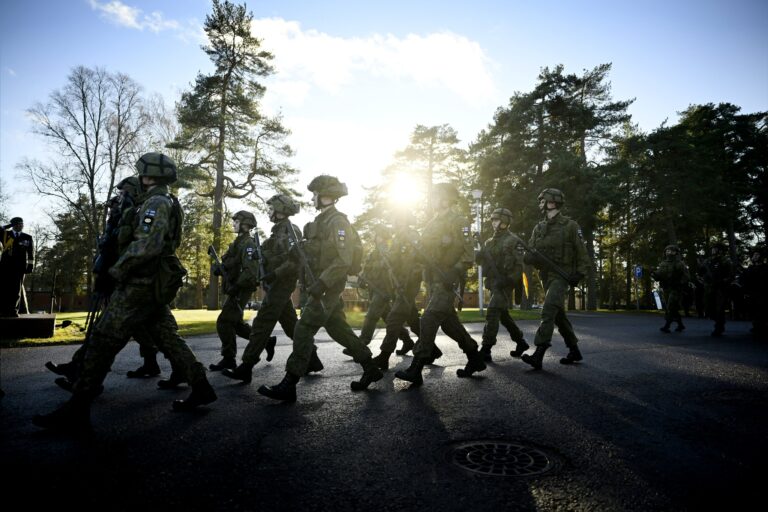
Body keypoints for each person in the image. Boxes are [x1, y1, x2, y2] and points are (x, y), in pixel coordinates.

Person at [33, 152, 216, 433]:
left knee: (104, 338)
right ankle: (201, 386)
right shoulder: (162, 200)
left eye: (142, 173)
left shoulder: (156, 202)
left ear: (149, 175)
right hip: (148, 284)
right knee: (168, 337)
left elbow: (147, 246)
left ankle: (77, 409)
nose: (140, 178)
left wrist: (115, 272)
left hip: (139, 284)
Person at [257, 175, 383, 402]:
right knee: (338, 330)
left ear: (325, 197)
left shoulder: (338, 223)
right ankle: (371, 368)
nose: (312, 198)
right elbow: (318, 253)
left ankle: (289, 383)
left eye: (315, 194)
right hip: (319, 286)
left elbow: (343, 260)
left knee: (303, 329)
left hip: (327, 287)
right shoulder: (322, 222)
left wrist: (322, 284)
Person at [221, 194, 323, 384]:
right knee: (292, 326)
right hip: (276, 284)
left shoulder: (291, 230)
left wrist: (274, 273)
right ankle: (313, 360)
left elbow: (294, 261)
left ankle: (246, 366)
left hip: (282, 284)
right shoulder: (278, 231)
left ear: (280, 210)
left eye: (271, 209)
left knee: (261, 324)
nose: (268, 212)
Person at [394, 183, 486, 386]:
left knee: (428, 318)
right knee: (450, 325)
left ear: (446, 199)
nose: (433, 200)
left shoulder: (458, 220)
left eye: (437, 196)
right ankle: (475, 358)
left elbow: (468, 252)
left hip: (447, 280)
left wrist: (453, 272)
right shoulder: (432, 223)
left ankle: (416, 368)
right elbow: (425, 250)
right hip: (433, 279)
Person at [520, 188, 591, 370]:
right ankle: (574, 350)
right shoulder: (539, 227)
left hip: (562, 275)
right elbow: (531, 249)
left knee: (549, 309)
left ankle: (539, 353)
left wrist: (580, 273)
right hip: (546, 275)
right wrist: (529, 258)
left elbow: (582, 253)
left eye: (543, 200)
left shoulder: (570, 226)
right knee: (558, 316)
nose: (541, 203)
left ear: (552, 202)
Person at [370, 213, 423, 371]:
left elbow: (417, 259)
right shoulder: (397, 238)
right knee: (413, 320)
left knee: (393, 319)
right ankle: (431, 350)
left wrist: (408, 277)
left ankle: (384, 356)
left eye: (398, 220)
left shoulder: (412, 235)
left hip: (409, 283)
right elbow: (395, 260)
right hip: (400, 284)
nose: (395, 224)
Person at [476, 207, 529, 362]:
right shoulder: (489, 242)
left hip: (506, 283)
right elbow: (483, 262)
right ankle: (521, 342)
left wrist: (509, 280)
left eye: (497, 219)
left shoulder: (513, 240)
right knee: (503, 316)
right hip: (494, 283)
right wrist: (478, 256)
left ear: (505, 221)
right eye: (492, 220)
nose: (494, 223)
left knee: (492, 311)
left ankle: (486, 349)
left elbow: (519, 266)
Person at [354, 224, 414, 359]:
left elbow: (388, 268)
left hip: (383, 290)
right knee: (388, 318)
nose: (376, 237)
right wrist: (363, 278)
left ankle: (362, 343)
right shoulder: (375, 251)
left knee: (371, 316)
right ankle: (408, 341)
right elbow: (368, 268)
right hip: (375, 289)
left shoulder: (386, 250)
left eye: (378, 235)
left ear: (381, 236)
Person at [209, 211, 260, 371]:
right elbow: (229, 263)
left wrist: (236, 287)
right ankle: (266, 341)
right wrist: (219, 268)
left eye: (236, 222)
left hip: (240, 289)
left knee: (224, 322)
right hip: (233, 288)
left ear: (245, 224)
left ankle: (229, 358)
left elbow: (250, 271)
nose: (233, 224)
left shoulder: (248, 244)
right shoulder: (236, 243)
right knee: (236, 324)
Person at [651, 244, 690, 333]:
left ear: (676, 253)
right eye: (667, 251)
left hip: (676, 289)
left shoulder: (679, 263)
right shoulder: (663, 264)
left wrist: (680, 283)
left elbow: (687, 276)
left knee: (671, 306)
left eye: (671, 251)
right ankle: (680, 325)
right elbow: (659, 275)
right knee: (672, 308)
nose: (669, 252)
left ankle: (667, 325)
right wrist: (654, 274)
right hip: (666, 288)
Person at [0, 217, 34, 317]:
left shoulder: (27, 237)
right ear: (14, 225)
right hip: (5, 267)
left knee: (16, 290)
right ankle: (3, 310)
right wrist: (9, 226)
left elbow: (31, 253)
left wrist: (30, 266)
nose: (21, 225)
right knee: (4, 289)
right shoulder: (5, 234)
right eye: (19, 224)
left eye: (22, 224)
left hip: (20, 267)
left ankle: (13, 310)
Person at [701, 241, 735, 337]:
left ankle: (719, 327)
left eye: (715, 249)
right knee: (708, 308)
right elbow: (702, 272)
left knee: (719, 308)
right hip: (709, 288)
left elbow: (730, 275)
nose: (713, 250)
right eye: (712, 248)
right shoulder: (708, 261)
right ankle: (719, 322)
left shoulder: (725, 260)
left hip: (721, 288)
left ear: (721, 250)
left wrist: (723, 281)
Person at [740, 245, 768, 339]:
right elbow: (744, 280)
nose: (754, 257)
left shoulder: (765, 268)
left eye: (757, 255)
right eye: (754, 255)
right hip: (751, 294)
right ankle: (757, 327)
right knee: (754, 312)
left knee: (761, 312)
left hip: (762, 294)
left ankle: (761, 329)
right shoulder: (750, 268)